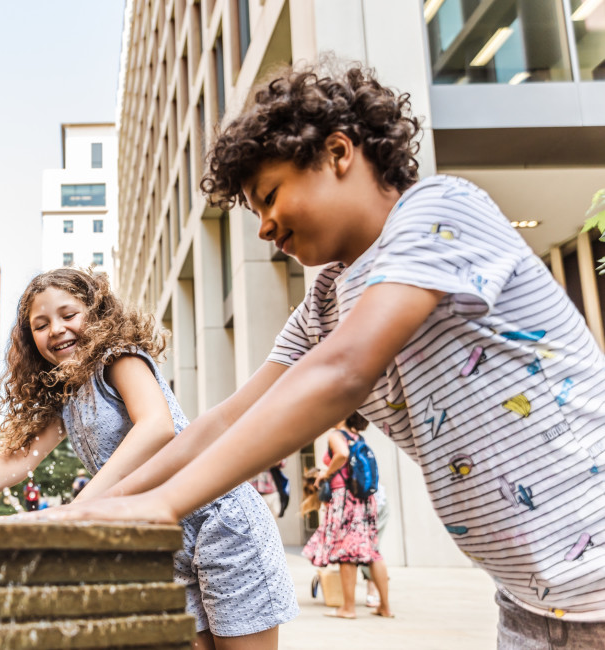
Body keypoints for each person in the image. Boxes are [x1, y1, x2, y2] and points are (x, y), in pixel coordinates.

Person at [35, 61, 605, 644]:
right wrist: (93, 507)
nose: (262, 227)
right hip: (536, 604)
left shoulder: (439, 209)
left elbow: (344, 371)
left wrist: (163, 506)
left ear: (338, 152)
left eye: (270, 197)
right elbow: (226, 419)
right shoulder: (325, 301)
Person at [0, 268, 297, 649]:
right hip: (163, 540)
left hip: (220, 520)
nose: (56, 329)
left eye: (68, 315)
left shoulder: (118, 358)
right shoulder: (65, 394)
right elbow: (19, 459)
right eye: (41, 324)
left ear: (97, 312)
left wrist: (80, 508)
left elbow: (155, 427)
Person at [302, 413, 392, 619]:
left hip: (345, 497)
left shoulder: (337, 435)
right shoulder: (359, 437)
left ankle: (348, 608)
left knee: (346, 552)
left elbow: (341, 454)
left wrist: (325, 474)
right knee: (373, 552)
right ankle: (385, 607)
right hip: (365, 499)